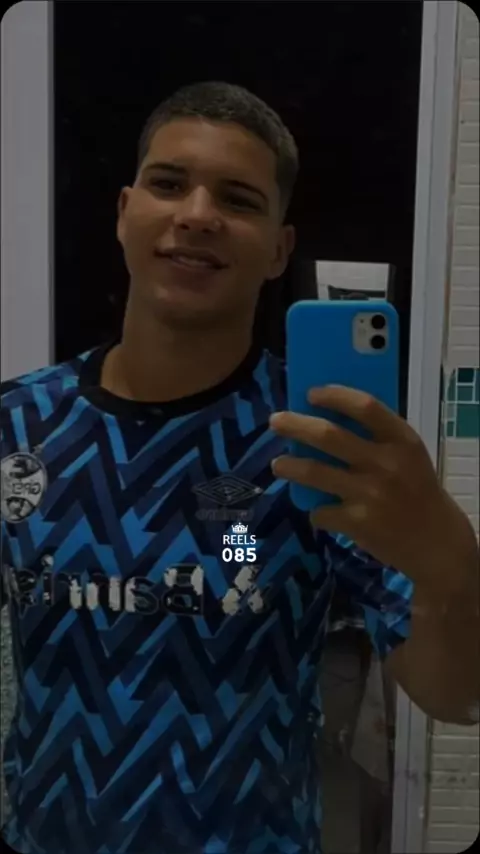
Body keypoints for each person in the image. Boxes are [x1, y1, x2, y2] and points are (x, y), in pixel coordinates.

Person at [0, 81, 478, 854]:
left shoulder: (322, 442)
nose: (197, 214)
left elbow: (456, 697)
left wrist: (452, 567)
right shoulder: (18, 424)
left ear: (278, 250)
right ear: (124, 211)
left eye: (238, 198)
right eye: (168, 183)